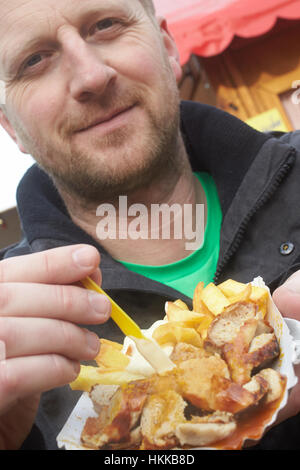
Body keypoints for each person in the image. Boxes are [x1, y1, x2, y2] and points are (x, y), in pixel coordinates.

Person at [0, 0, 299, 451]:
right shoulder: (11, 330)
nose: (91, 77)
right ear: (11, 127)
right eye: (34, 60)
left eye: (105, 25)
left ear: (166, 44)